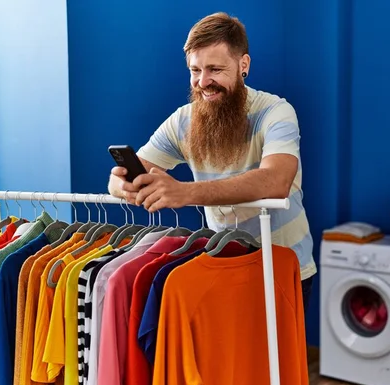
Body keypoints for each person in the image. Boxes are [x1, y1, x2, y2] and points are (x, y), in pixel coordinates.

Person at [107, 12, 316, 316]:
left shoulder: (276, 112)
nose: (204, 82)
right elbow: (124, 174)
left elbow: (277, 181)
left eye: (215, 69)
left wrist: (184, 192)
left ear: (243, 65)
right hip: (225, 262)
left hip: (283, 266)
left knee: (274, 364)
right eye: (195, 70)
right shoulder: (184, 121)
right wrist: (124, 184)